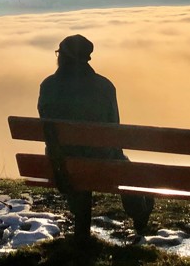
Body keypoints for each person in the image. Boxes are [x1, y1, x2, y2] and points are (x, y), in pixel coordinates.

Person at [37, 34, 154, 238]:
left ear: (62, 57)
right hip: (101, 162)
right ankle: (139, 212)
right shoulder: (104, 87)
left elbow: (47, 126)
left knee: (76, 164)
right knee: (123, 165)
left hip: (61, 165)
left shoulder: (48, 86)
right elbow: (113, 129)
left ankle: (81, 228)